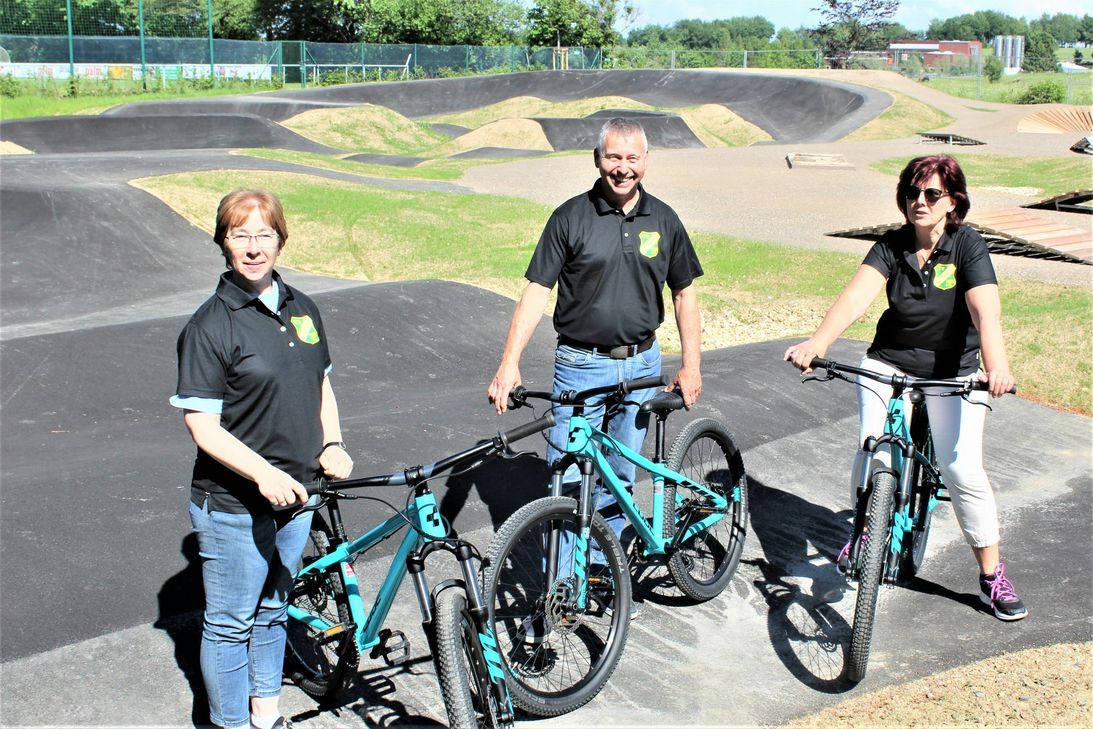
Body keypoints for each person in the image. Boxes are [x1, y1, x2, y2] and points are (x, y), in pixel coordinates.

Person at [784, 154, 1026, 621]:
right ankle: (865, 529)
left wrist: (997, 366)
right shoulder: (892, 245)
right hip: (889, 362)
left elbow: (986, 312)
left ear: (952, 201)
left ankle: (991, 577)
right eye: (913, 192)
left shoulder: (968, 245)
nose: (920, 201)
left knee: (961, 470)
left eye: (932, 194)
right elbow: (856, 297)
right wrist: (818, 342)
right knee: (871, 449)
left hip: (953, 372)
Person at [171, 189, 354, 729]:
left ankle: (266, 715)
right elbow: (202, 426)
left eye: (264, 235)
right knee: (231, 625)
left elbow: (321, 385)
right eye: (240, 235)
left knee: (274, 610)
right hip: (234, 504)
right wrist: (262, 473)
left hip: (298, 495)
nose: (254, 248)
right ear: (224, 243)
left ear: (280, 240)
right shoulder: (211, 325)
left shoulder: (303, 307)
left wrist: (333, 443)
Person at [487, 117, 704, 553]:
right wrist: (509, 363)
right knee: (568, 480)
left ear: (646, 161)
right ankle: (565, 584)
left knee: (620, 475)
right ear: (597, 159)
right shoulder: (569, 217)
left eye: (632, 158)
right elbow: (537, 291)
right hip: (580, 368)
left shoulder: (664, 219)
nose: (623, 168)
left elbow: (684, 294)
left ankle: (606, 574)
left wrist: (691, 365)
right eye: (613, 157)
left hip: (642, 365)